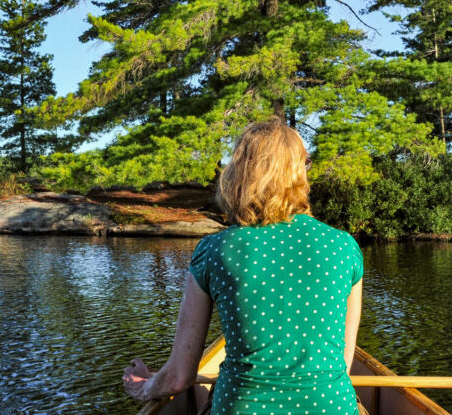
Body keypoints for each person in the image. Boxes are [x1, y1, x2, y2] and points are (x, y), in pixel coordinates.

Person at [123, 117, 364, 414]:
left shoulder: (214, 250)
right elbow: (344, 362)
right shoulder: (343, 247)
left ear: (239, 173)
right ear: (300, 173)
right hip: (329, 406)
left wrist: (145, 386)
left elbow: (178, 378)